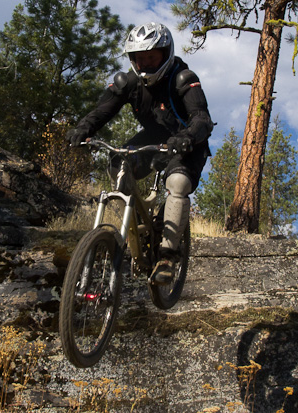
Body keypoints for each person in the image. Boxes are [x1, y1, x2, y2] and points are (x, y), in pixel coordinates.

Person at [68, 22, 214, 284]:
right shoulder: (128, 83)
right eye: (140, 58)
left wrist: (187, 137)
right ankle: (136, 226)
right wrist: (82, 129)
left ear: (165, 54)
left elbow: (202, 118)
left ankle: (167, 257)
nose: (145, 64)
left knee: (177, 182)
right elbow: (102, 111)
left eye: (151, 57)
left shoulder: (183, 78)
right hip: (155, 138)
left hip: (188, 141)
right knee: (118, 163)